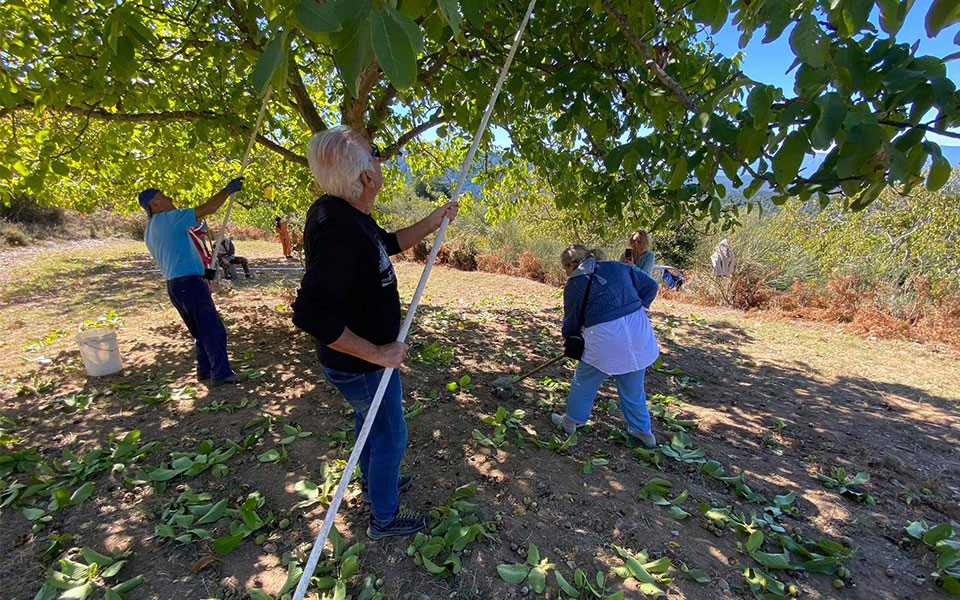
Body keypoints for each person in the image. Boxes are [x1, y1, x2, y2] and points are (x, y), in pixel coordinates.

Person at [291, 126, 458, 540]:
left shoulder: (343, 211)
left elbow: (384, 242)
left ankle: (374, 482)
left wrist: (433, 221)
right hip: (360, 366)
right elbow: (310, 312)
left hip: (360, 364)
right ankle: (384, 517)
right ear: (367, 177)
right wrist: (378, 354)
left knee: (368, 423)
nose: (381, 160)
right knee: (391, 437)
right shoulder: (340, 230)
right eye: (376, 153)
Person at [552, 244, 660, 449]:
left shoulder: (575, 282)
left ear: (573, 264)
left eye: (565, 268)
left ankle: (570, 421)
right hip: (638, 330)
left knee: (584, 380)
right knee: (633, 386)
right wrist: (634, 306)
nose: (566, 274)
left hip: (605, 336)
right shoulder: (619, 267)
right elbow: (651, 286)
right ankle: (643, 431)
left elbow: (572, 319)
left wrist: (570, 339)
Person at [138, 179, 243, 386]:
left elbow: (177, 254)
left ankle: (205, 370)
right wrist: (227, 190)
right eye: (163, 196)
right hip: (189, 284)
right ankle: (221, 373)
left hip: (176, 285)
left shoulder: (151, 229)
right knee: (212, 328)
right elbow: (209, 208)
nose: (170, 198)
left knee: (199, 330)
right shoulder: (168, 219)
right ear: (154, 204)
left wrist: (203, 272)